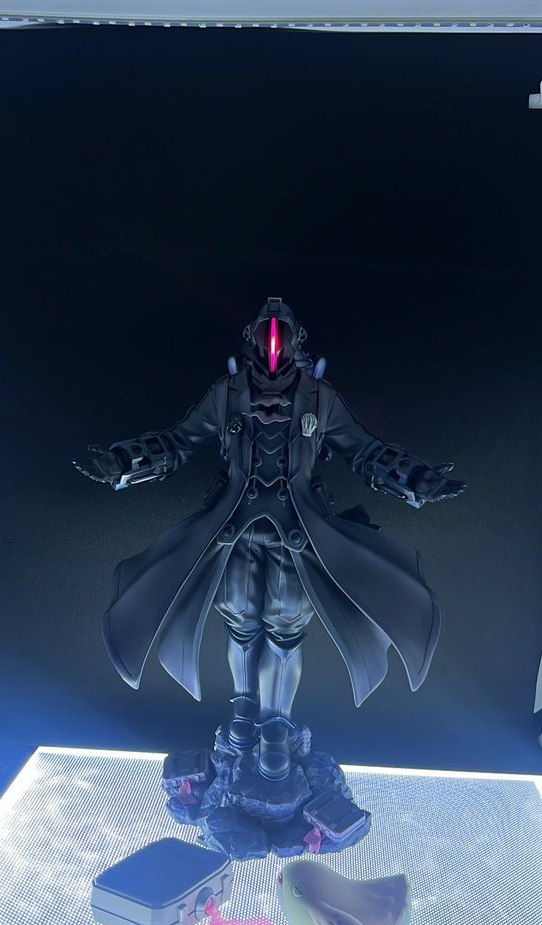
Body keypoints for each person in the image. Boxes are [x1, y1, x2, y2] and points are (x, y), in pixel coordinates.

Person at [75, 298, 465, 781]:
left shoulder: (319, 398)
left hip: (298, 530)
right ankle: (243, 709)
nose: (274, 350)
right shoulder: (228, 394)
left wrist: (414, 478)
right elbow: (179, 442)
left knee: (285, 625)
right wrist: (124, 462)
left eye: (282, 338)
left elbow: (363, 450)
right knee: (240, 619)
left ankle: (276, 722)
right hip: (234, 526)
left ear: (297, 342)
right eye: (266, 337)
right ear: (252, 341)